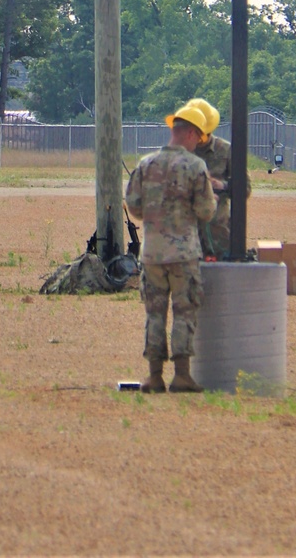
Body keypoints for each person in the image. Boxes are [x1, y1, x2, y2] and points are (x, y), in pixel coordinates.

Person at [125, 104, 217, 393]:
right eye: (199, 137)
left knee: (154, 314)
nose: (198, 143)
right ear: (190, 133)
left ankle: (154, 376)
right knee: (184, 311)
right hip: (183, 254)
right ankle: (181, 375)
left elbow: (134, 206)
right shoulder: (195, 167)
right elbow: (206, 211)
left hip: (152, 253)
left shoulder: (146, 163)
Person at [185, 97, 252, 259]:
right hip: (187, 236)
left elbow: (246, 189)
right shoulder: (181, 153)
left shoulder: (226, 150)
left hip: (219, 235)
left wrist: (221, 185)